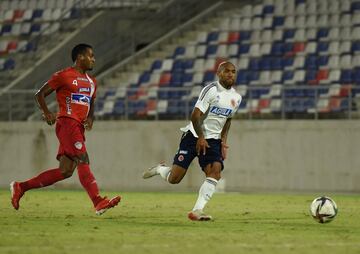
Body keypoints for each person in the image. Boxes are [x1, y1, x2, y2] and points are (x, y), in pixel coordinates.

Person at [10, 43, 121, 215]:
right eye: (91, 55)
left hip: (78, 127)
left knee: (65, 171)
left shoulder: (93, 82)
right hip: (67, 123)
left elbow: (91, 101)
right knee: (83, 158)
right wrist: (47, 112)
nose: (94, 59)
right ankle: (97, 201)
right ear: (80, 57)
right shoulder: (63, 75)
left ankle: (20, 187)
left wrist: (90, 117)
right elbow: (39, 94)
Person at [142, 61, 241, 221]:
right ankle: (160, 169)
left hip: (213, 141)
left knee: (215, 171)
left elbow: (228, 120)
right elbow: (195, 116)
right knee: (175, 179)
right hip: (193, 136)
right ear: (219, 73)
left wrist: (223, 141)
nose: (230, 74)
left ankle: (197, 210)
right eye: (226, 71)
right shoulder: (211, 90)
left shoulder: (236, 98)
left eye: (233, 71)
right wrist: (200, 137)